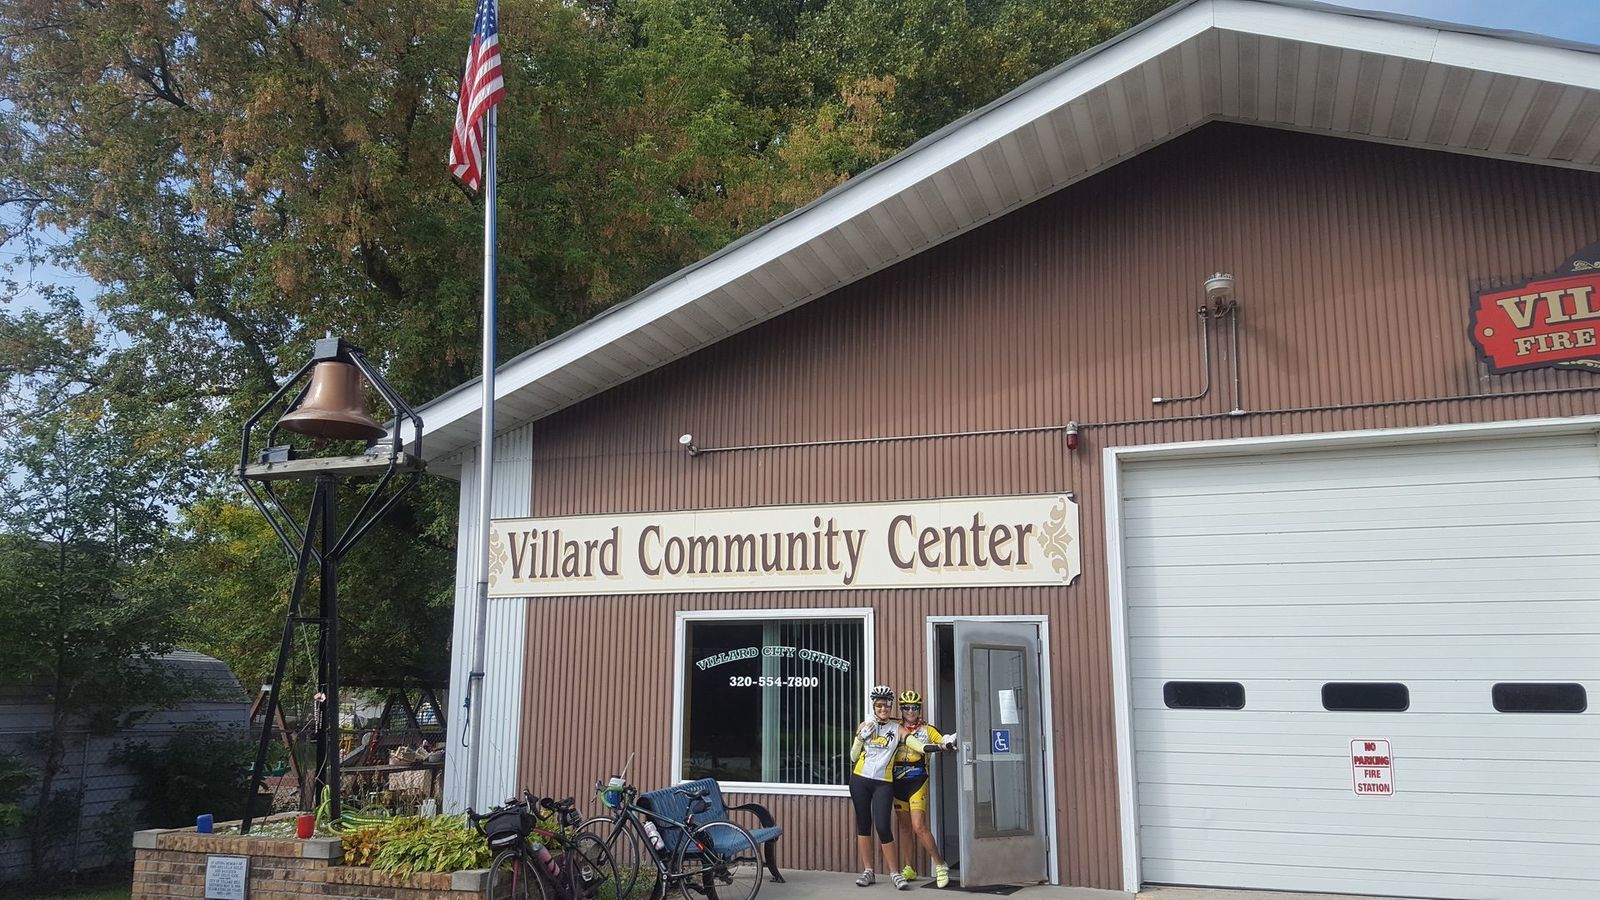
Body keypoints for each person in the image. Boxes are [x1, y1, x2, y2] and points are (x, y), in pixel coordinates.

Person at [891, 689, 956, 888]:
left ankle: (940, 865)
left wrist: (948, 742)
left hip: (917, 781)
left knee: (918, 826)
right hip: (896, 782)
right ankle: (909, 868)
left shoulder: (927, 730)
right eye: (906, 708)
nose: (910, 711)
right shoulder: (894, 727)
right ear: (901, 709)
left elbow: (942, 740)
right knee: (904, 828)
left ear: (919, 709)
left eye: (914, 707)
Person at [849, 685, 908, 889]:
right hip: (860, 780)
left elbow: (914, 743)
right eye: (879, 705)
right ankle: (868, 871)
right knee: (863, 824)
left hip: (883, 783)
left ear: (891, 706)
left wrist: (939, 745)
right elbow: (853, 757)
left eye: (887, 705)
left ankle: (895, 873)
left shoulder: (896, 728)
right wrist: (860, 737)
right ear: (874, 706)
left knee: (883, 826)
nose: (883, 709)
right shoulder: (866, 725)